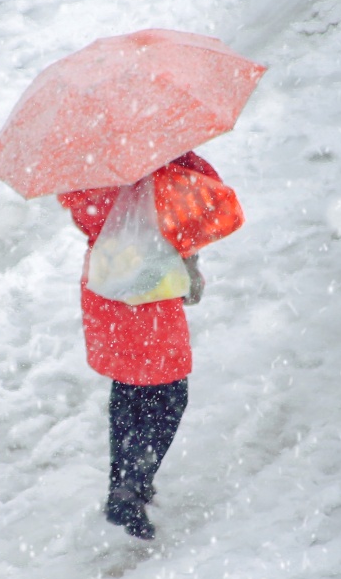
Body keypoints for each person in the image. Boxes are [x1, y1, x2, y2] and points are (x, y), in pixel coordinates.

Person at [59, 152, 222, 541]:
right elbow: (205, 203)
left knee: (129, 389)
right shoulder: (162, 163)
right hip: (150, 289)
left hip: (107, 284)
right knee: (168, 394)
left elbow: (88, 217)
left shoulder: (83, 173)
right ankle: (131, 488)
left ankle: (125, 484)